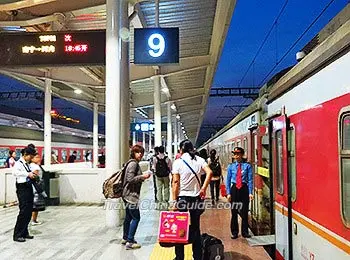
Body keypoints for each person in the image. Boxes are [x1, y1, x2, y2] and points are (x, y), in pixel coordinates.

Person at [171, 139, 213, 260]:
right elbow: (209, 172)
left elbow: (175, 182)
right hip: (196, 198)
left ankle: (180, 257)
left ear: (181, 150)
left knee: (180, 227)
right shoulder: (199, 160)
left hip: (183, 198)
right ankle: (197, 256)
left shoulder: (178, 162)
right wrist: (203, 188)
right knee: (195, 227)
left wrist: (174, 201)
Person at [121, 145, 151, 250]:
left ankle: (125, 238)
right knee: (136, 217)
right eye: (138, 152)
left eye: (141, 152)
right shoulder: (133, 164)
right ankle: (130, 241)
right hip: (131, 195)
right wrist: (143, 176)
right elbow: (130, 179)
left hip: (126, 194)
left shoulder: (130, 162)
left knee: (128, 217)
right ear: (133, 153)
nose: (140, 154)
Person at [226, 147, 253, 239]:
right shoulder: (231, 166)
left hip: (244, 189)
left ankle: (245, 232)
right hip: (234, 189)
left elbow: (250, 180)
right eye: (235, 154)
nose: (236, 156)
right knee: (234, 212)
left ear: (242, 154)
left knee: (244, 211)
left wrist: (250, 192)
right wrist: (228, 193)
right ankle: (234, 232)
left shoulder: (247, 166)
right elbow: (228, 180)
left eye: (238, 154)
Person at [12, 146, 37, 242]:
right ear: (25, 155)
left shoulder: (27, 164)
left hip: (28, 187)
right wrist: (27, 174)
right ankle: (17, 234)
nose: (31, 158)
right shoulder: (18, 163)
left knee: (28, 211)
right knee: (23, 212)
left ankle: (24, 232)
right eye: (30, 156)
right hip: (22, 188)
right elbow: (14, 173)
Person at [152, 146, 172, 210]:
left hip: (158, 176)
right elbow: (170, 168)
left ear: (158, 151)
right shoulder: (167, 158)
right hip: (166, 176)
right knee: (166, 188)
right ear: (164, 150)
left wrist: (155, 173)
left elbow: (154, 167)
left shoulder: (155, 158)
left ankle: (159, 203)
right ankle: (166, 201)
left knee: (159, 189)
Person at [30, 153, 45, 225]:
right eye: (36, 157)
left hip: (33, 187)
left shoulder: (31, 165)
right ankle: (34, 220)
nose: (38, 158)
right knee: (35, 204)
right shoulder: (35, 167)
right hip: (36, 187)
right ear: (32, 158)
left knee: (34, 204)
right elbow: (34, 177)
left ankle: (34, 220)